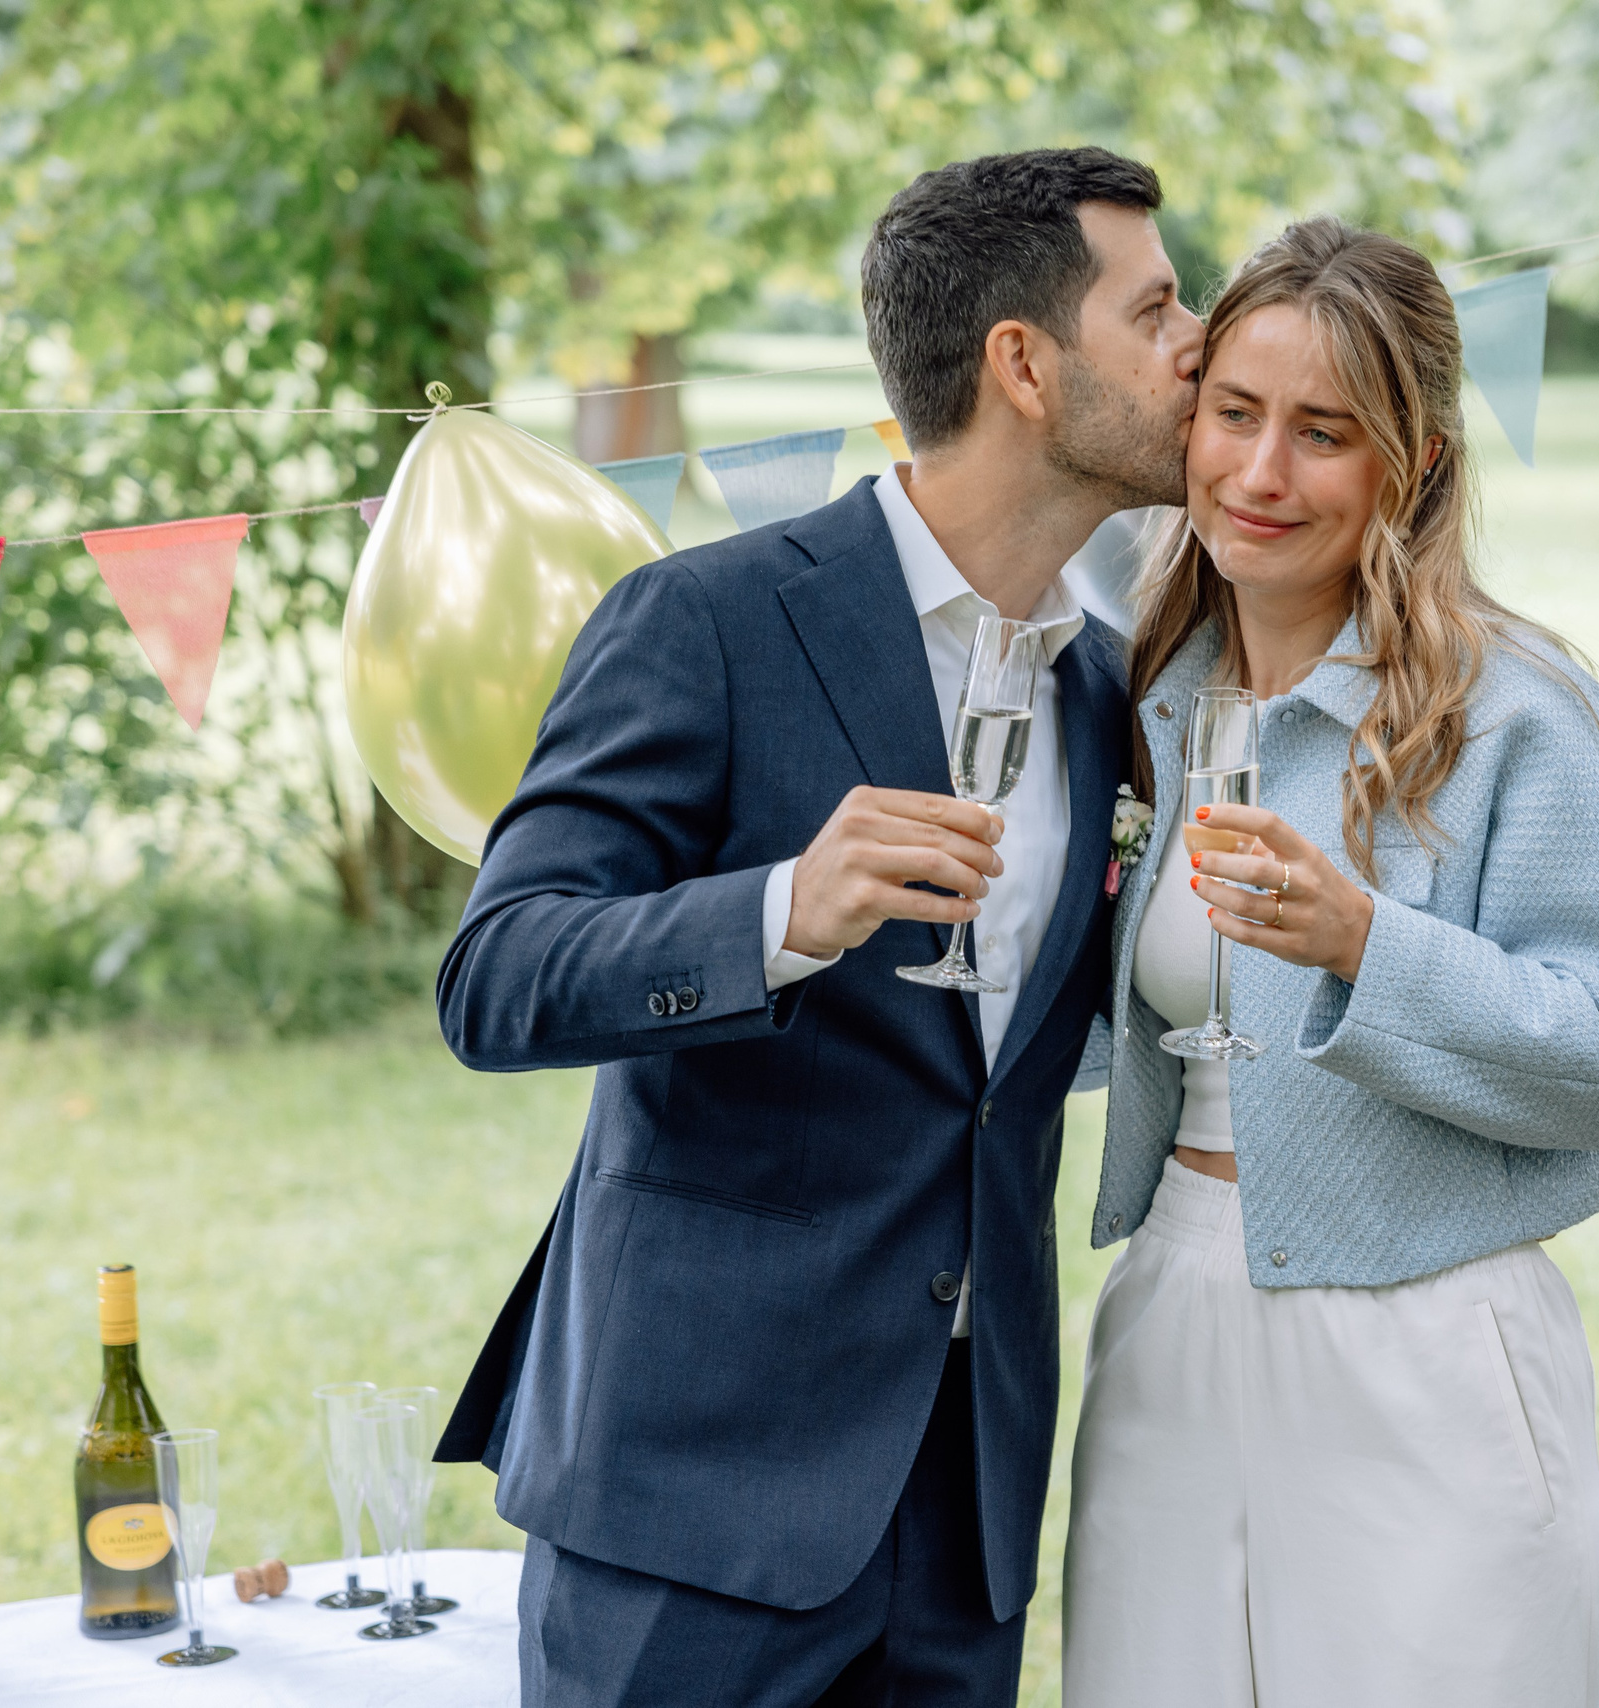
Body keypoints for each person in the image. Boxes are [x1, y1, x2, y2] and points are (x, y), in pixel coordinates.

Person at [432, 147, 1204, 1707]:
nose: (1199, 340)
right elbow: (495, 975)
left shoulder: (1114, 691)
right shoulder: (706, 622)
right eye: (1159, 306)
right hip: (692, 1498)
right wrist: (783, 911)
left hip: (963, 1509)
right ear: (1025, 367)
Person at [1062, 217, 1599, 1708]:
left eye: (1323, 434)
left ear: (1411, 464)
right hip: (1171, 1321)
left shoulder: (1519, 716)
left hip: (1427, 1342)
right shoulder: (1143, 702)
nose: (1261, 474)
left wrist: (1367, 945)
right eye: (1235, 415)